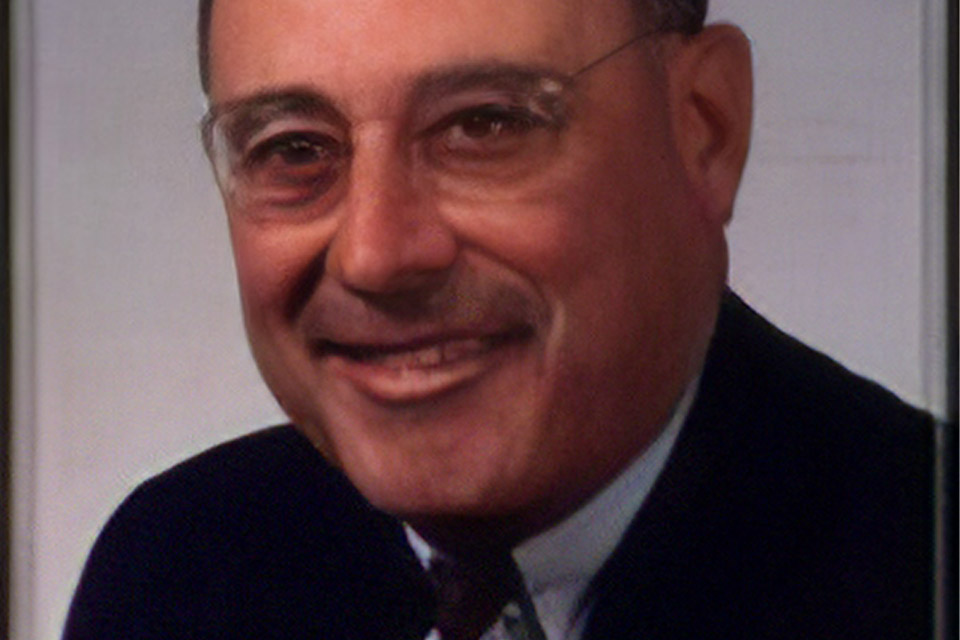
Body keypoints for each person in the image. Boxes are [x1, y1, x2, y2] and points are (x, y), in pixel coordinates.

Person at [63, 0, 934, 638]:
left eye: (483, 125)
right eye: (294, 148)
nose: (375, 254)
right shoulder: (175, 572)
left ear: (704, 128)